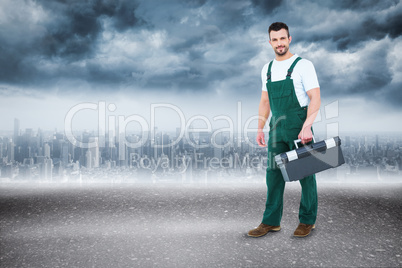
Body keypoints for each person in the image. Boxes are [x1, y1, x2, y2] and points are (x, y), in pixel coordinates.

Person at [248, 22, 321, 238]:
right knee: (273, 174)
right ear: (269, 42)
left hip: (300, 126)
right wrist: (260, 128)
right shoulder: (267, 68)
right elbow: (264, 100)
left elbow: (315, 97)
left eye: (282, 38)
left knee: (305, 174)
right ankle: (271, 222)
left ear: (289, 39)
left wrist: (307, 126)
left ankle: (307, 221)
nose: (279, 43)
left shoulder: (303, 65)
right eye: (275, 39)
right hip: (276, 128)